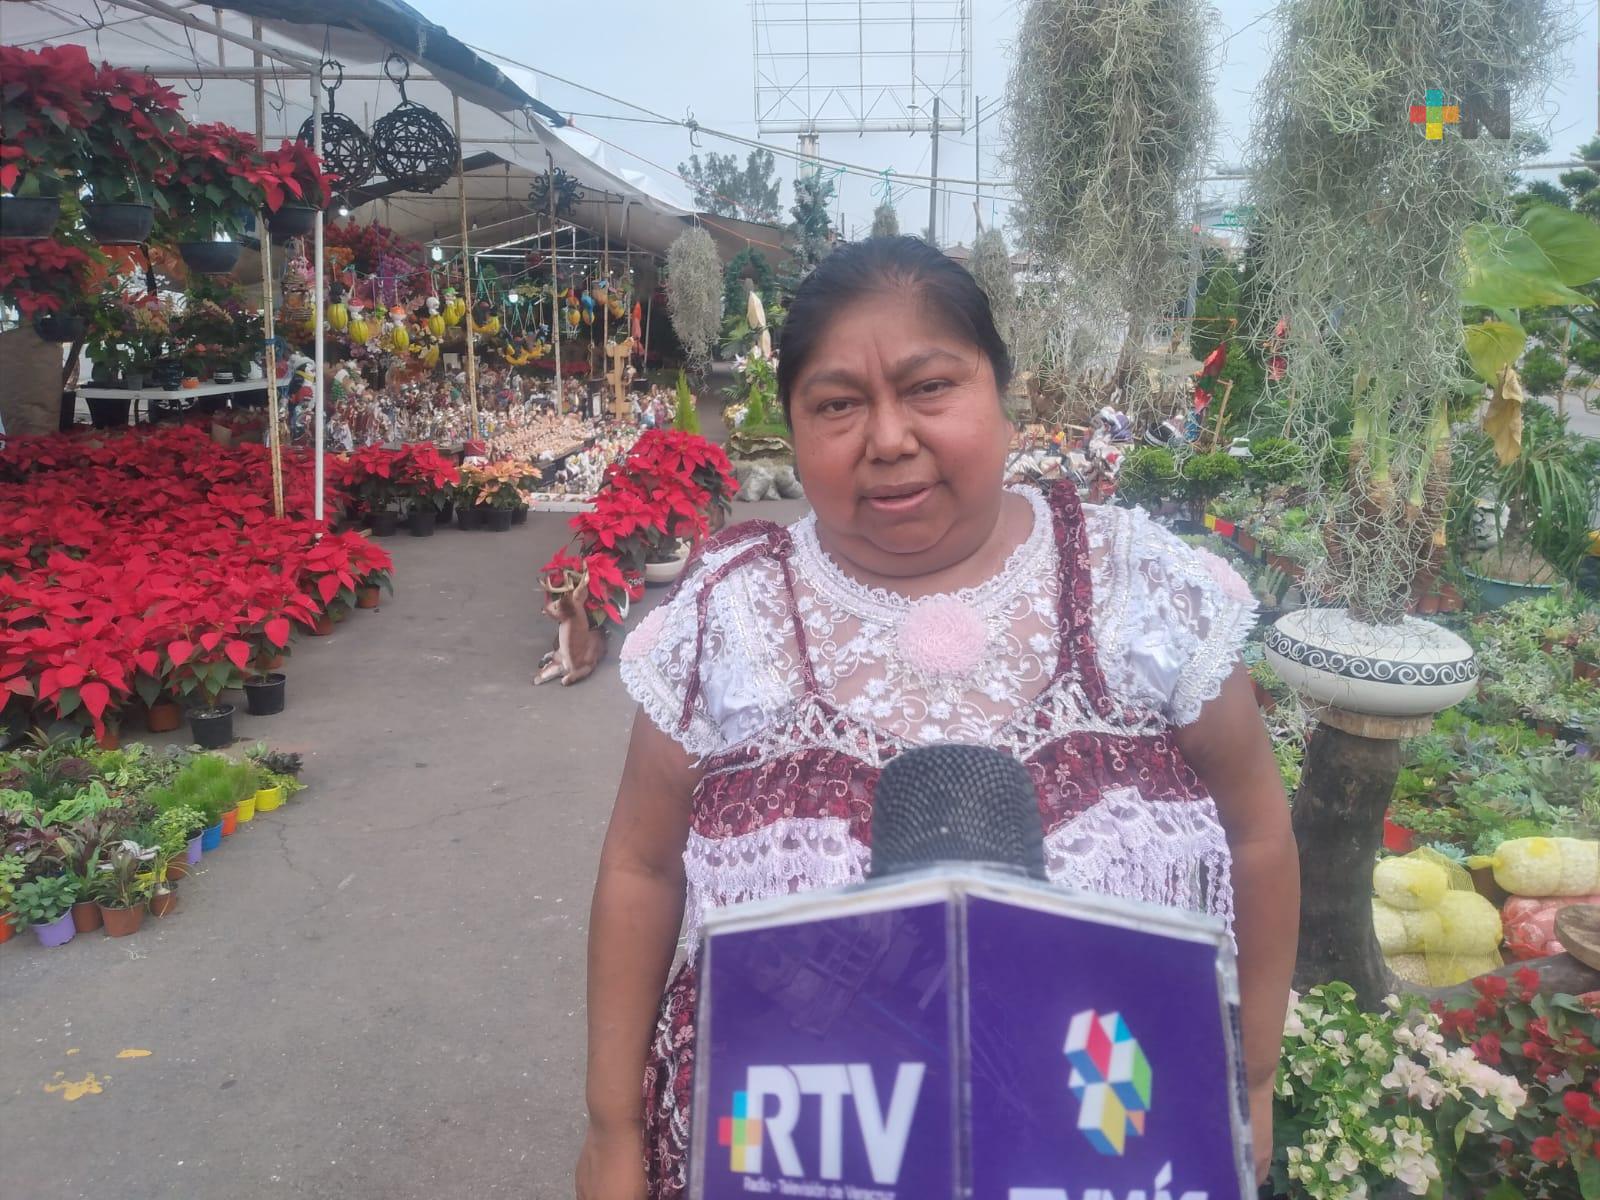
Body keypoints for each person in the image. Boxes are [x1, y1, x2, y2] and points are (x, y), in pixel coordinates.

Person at [577, 236, 1299, 1199]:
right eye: (837, 404)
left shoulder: (1143, 587)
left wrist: (1247, 1079)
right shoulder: (726, 617)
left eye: (929, 389)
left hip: (1104, 1153)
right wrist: (611, 1129)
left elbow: (1256, 835)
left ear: (1002, 392)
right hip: (792, 1158)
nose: (887, 438)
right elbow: (640, 866)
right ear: (790, 427)